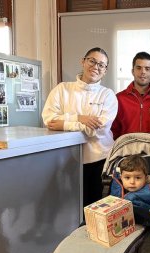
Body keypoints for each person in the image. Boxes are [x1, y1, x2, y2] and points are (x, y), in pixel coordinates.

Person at [42, 47, 118, 210]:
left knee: (95, 209)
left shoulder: (108, 95)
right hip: (66, 160)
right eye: (92, 61)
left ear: (105, 71)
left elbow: (97, 131)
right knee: (68, 208)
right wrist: (79, 118)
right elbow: (49, 120)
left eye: (101, 65)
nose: (96, 66)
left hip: (99, 160)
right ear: (83, 61)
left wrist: (64, 123)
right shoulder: (62, 89)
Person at [111, 52, 150, 140]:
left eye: (147, 69)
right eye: (139, 68)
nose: (143, 72)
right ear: (133, 71)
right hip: (125, 150)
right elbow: (113, 131)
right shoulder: (119, 99)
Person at [110, 155, 150, 225]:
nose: (132, 182)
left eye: (137, 178)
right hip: (121, 223)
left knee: (131, 199)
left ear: (146, 178)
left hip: (145, 221)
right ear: (121, 177)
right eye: (127, 177)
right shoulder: (117, 187)